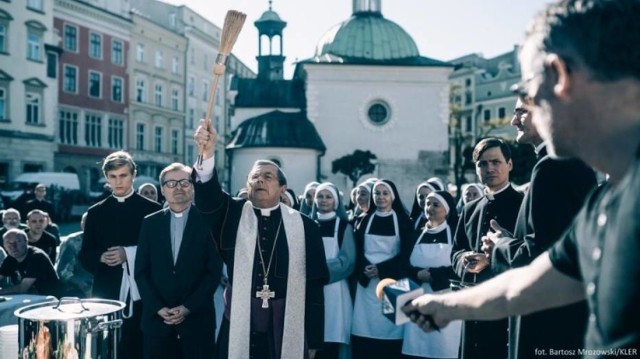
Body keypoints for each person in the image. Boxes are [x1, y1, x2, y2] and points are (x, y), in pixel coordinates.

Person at [404, 0, 640, 356]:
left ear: (558, 75)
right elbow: (529, 284)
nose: (523, 109)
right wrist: (446, 308)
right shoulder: (605, 202)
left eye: (526, 90)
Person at [193, 120, 329, 359]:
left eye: (268, 176)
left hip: (288, 320)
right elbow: (208, 197)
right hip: (238, 317)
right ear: (247, 184)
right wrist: (207, 153)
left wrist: (314, 338)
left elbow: (315, 288)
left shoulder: (306, 227)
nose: (260, 181)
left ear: (282, 187)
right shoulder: (232, 213)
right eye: (255, 177)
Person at [483, 99, 597, 358]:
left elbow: (543, 254)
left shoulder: (551, 166)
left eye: (521, 112)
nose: (513, 121)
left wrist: (499, 246)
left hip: (547, 321)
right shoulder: (567, 161)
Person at [79, 150, 161, 359]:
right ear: (106, 178)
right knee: (107, 348)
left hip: (143, 292)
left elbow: (162, 254)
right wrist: (99, 257)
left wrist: (128, 254)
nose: (118, 182)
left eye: (123, 175)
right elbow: (85, 253)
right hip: (107, 289)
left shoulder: (153, 210)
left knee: (138, 347)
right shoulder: (96, 212)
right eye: (113, 177)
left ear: (133, 175)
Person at [135, 163, 222, 359]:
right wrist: (158, 307)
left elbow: (213, 272)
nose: (178, 188)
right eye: (171, 183)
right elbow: (141, 271)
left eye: (184, 182)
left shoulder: (208, 222)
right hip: (157, 322)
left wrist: (187, 307)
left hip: (197, 321)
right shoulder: (150, 223)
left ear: (192, 187)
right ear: (163, 190)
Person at [451, 137, 524, 359]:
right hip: (472, 306)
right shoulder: (469, 209)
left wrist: (491, 260)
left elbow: (530, 253)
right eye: (482, 163)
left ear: (509, 164)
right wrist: (466, 260)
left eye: (496, 162)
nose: (489, 168)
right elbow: (455, 252)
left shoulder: (523, 204)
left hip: (507, 309)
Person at [351, 179, 412, 359]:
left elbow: (407, 254)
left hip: (395, 283)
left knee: (392, 331)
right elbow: (357, 250)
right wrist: (366, 269)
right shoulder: (362, 220)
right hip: (367, 284)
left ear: (393, 197)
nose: (380, 197)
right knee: (365, 330)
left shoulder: (404, 222)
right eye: (377, 193)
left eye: (385, 193)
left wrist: (381, 269)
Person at [403, 190, 461, 359]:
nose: (430, 208)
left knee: (444, 348)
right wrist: (417, 274)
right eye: (428, 204)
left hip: (445, 300)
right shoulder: (414, 234)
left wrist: (434, 275)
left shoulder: (456, 234)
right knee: (416, 348)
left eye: (436, 204)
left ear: (447, 209)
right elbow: (402, 265)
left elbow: (459, 266)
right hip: (417, 300)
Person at [310, 182, 356, 359]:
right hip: (312, 288)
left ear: (336, 202)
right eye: (320, 196)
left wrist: (318, 271)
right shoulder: (307, 224)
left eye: (328, 196)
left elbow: (348, 261)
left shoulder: (344, 227)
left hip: (335, 289)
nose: (323, 200)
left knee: (333, 337)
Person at [0, 228, 59, 296]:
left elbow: (23, 288)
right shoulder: (11, 258)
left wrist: (2, 291)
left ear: (26, 242)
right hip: (30, 298)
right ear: (4, 246)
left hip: (51, 299)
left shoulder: (37, 256)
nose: (13, 246)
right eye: (8, 243)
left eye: (18, 241)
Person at [56, 212, 93, 298]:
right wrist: (85, 286)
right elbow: (63, 272)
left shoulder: (108, 241)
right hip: (77, 290)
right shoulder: (72, 242)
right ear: (81, 224)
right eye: (86, 222)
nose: (90, 225)